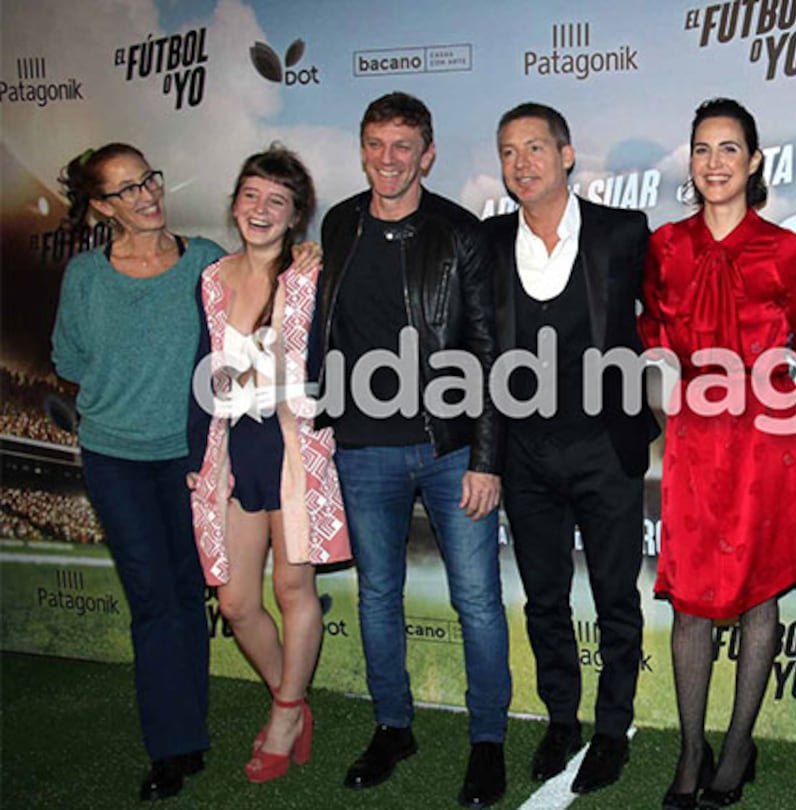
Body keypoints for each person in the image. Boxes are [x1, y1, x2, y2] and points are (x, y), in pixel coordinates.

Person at [314, 92, 508, 807]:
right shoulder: (339, 223)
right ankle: (392, 725)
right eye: (375, 144)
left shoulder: (460, 233)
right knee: (376, 597)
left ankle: (487, 739)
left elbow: (490, 349)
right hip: (362, 450)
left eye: (403, 147)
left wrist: (487, 457)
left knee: (477, 601)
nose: (387, 160)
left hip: (451, 448)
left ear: (427, 154)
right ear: (362, 148)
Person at [640, 98, 796, 810]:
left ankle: (739, 745)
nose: (714, 162)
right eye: (702, 149)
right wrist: (672, 411)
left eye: (729, 149)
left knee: (759, 595)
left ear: (754, 162)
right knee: (689, 601)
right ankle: (691, 748)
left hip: (766, 442)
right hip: (695, 441)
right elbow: (652, 338)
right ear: (691, 162)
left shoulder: (785, 250)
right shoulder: (665, 247)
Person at [478, 102, 653, 795]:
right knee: (544, 598)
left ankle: (612, 729)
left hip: (606, 448)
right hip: (525, 454)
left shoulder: (624, 232)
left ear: (568, 154)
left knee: (616, 596)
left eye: (535, 148)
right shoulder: (487, 242)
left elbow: (674, 309)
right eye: (509, 152)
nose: (522, 164)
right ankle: (561, 720)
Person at [51, 143, 226, 800]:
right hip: (115, 457)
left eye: (148, 178)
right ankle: (173, 746)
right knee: (153, 598)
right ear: (101, 207)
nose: (147, 194)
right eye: (126, 190)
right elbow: (66, 354)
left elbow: (256, 312)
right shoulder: (86, 277)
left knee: (187, 593)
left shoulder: (206, 260)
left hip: (189, 456)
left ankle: (190, 729)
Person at [185, 146, 350, 783]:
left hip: (294, 450)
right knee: (235, 602)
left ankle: (283, 715)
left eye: (276, 201)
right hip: (232, 450)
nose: (261, 210)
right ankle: (295, 698)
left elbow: (336, 357)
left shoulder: (310, 275)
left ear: (295, 217)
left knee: (291, 589)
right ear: (234, 204)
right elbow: (200, 365)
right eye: (251, 196)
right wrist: (196, 453)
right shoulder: (211, 278)